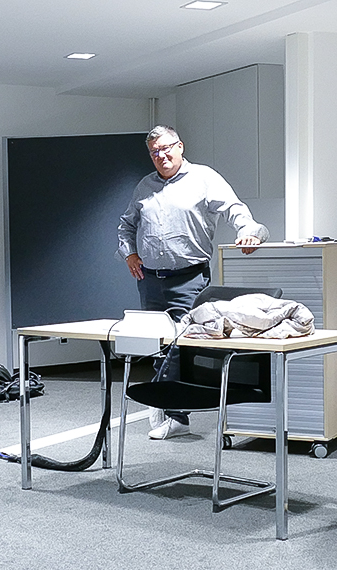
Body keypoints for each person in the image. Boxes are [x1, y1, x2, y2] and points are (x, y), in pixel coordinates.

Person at [117, 125, 270, 440]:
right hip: (150, 280)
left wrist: (249, 231)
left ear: (180, 146)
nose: (161, 156)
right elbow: (127, 224)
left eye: (166, 148)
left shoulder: (203, 178)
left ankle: (174, 413)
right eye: (154, 152)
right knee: (159, 345)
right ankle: (167, 405)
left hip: (189, 278)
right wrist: (129, 253)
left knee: (181, 345)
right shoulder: (145, 186)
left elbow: (234, 209)